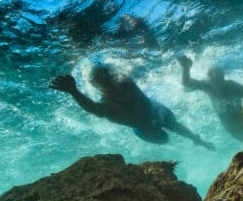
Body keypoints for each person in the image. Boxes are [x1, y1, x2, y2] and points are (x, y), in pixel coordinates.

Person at [49, 64, 214, 150]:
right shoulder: (111, 106)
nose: (107, 77)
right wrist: (73, 91)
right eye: (100, 77)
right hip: (142, 126)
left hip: (154, 109)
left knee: (173, 124)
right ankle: (193, 142)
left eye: (106, 72)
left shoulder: (122, 80)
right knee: (165, 137)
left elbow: (132, 63)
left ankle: (199, 142)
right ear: (94, 84)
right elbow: (94, 109)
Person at [176, 55, 243, 142]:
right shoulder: (207, 86)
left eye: (218, 77)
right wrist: (186, 68)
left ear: (223, 76)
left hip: (241, 118)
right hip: (229, 124)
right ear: (209, 78)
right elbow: (186, 83)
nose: (215, 80)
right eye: (212, 77)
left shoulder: (232, 85)